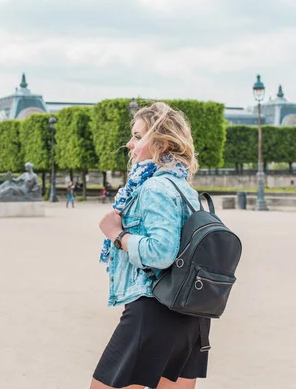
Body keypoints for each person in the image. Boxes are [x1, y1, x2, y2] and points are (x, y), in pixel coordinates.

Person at [91, 102, 207, 389]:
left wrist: (117, 236)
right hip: (191, 314)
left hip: (154, 308)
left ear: (162, 143)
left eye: (138, 135)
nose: (130, 144)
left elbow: (162, 252)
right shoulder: (186, 189)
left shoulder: (155, 187)